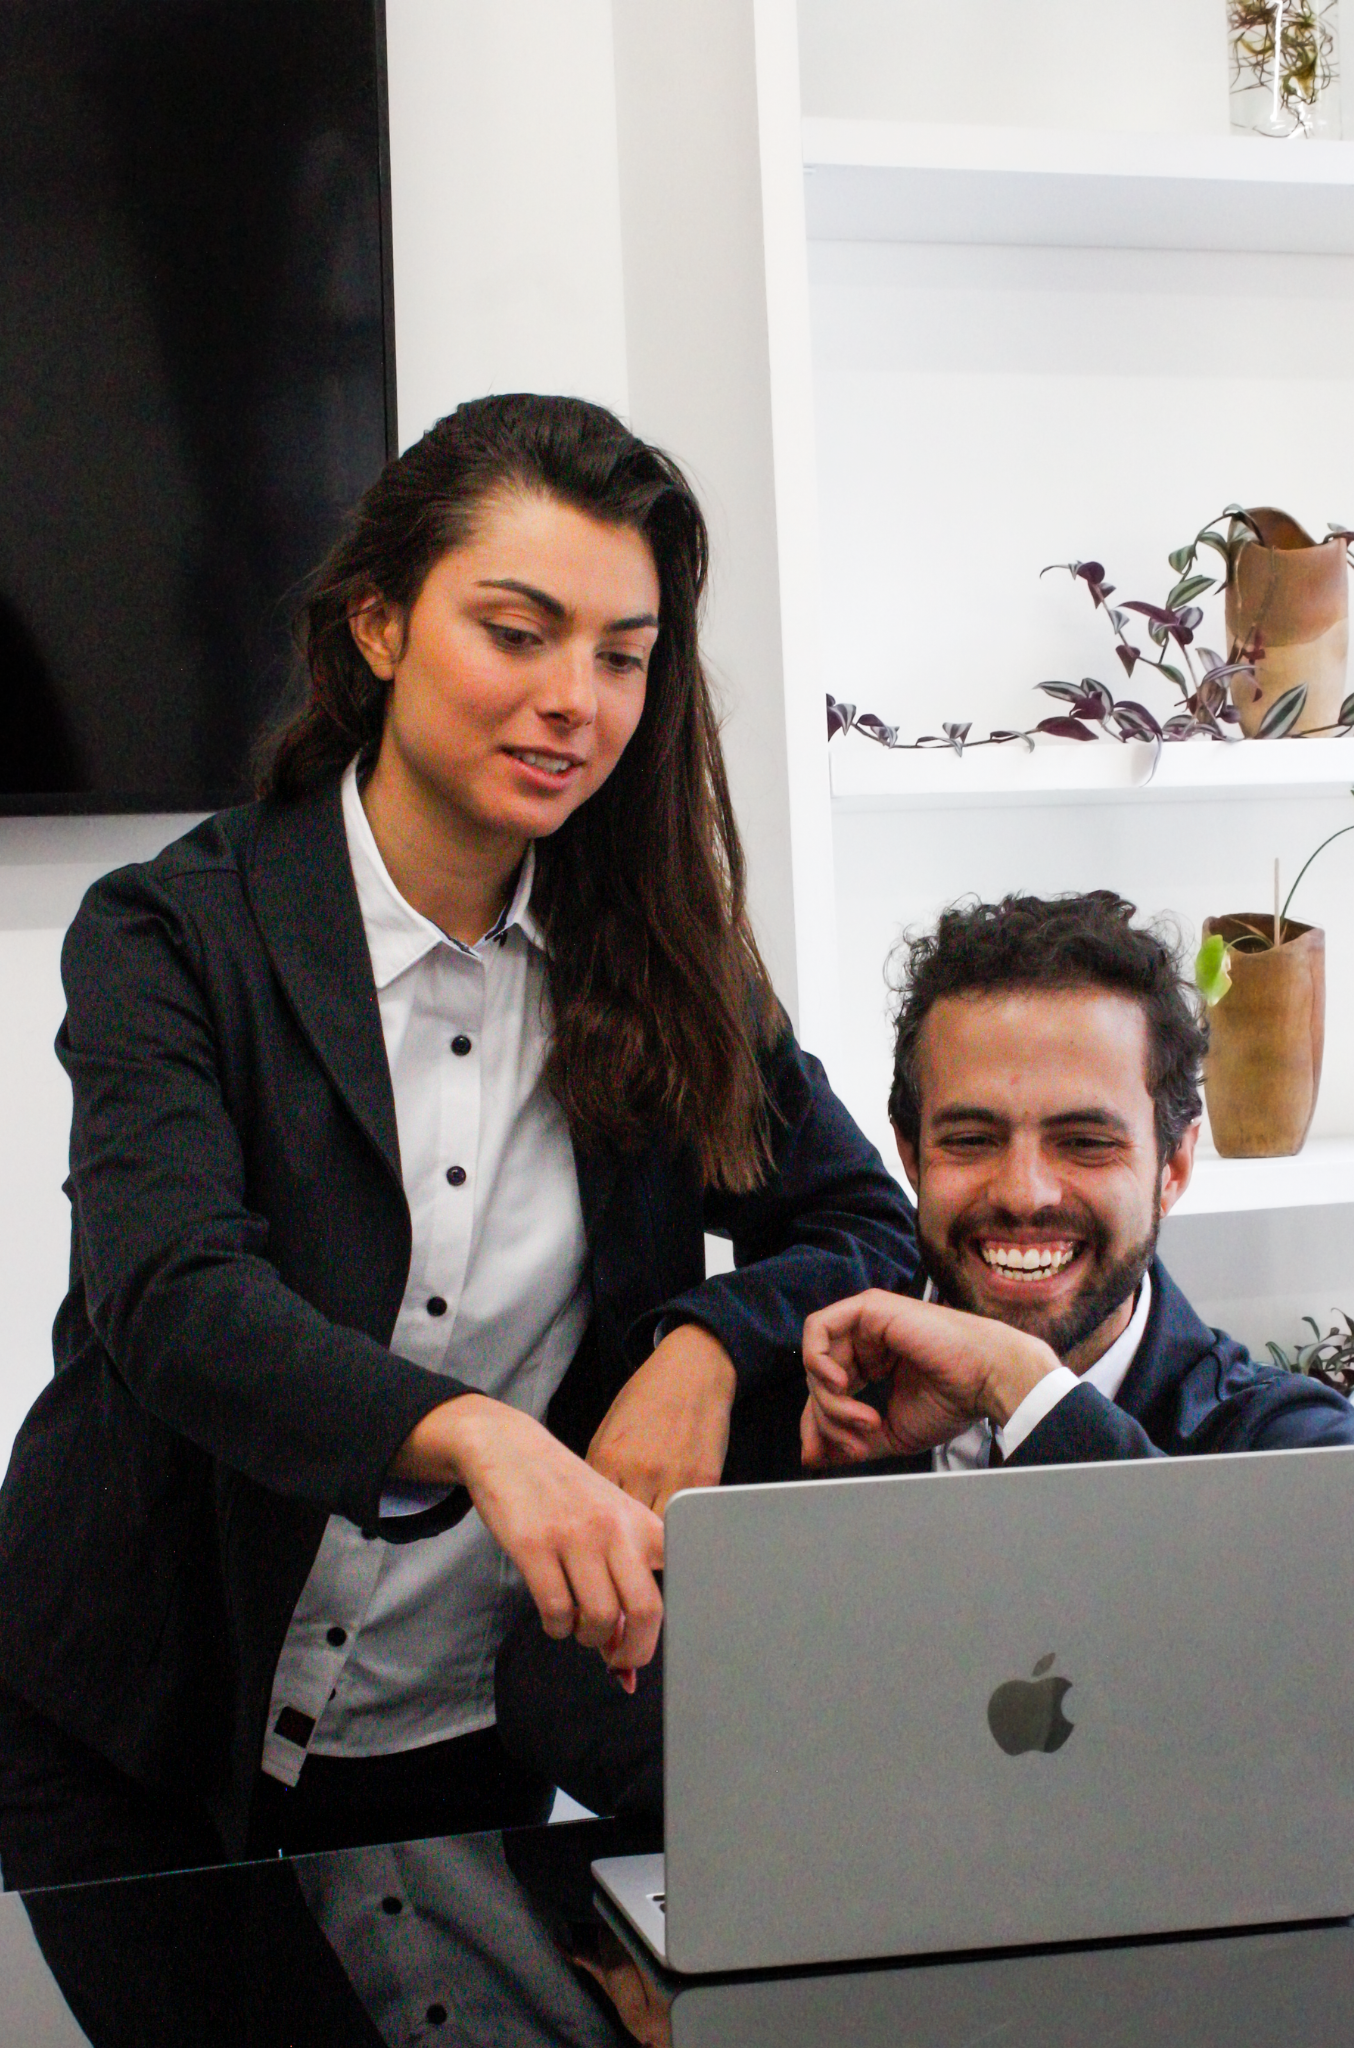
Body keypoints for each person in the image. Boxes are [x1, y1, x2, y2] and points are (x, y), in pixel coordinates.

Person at [0, 395, 917, 1889]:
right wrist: (482, 1437)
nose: (575, 700)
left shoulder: (666, 959)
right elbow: (173, 1296)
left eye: (621, 656)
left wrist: (703, 1346)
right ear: (377, 624)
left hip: (458, 1731)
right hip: (130, 1722)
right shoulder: (174, 931)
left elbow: (864, 1227)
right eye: (517, 632)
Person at [802, 891, 1354, 1472]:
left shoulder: (1293, 1444)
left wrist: (1020, 1388)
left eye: (1086, 1143)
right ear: (911, 1156)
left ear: (1174, 1168)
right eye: (972, 1139)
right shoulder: (808, 1392)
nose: (1024, 1194)